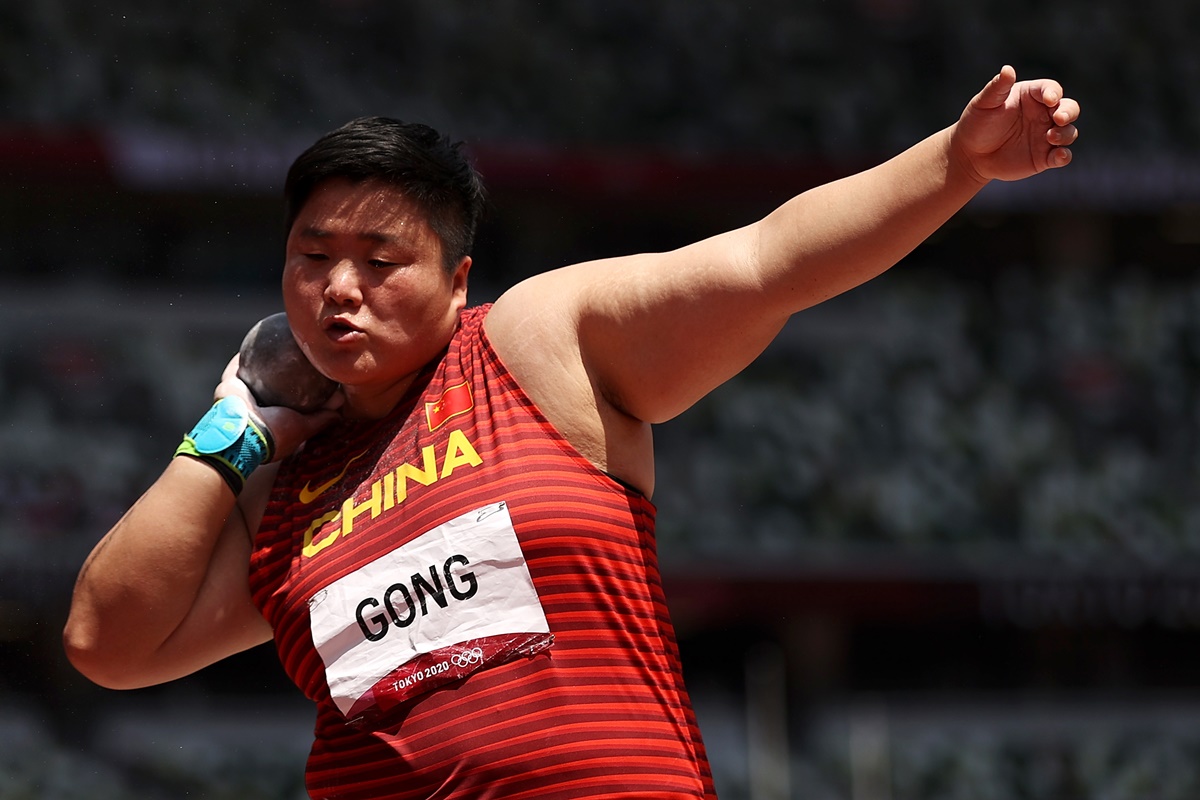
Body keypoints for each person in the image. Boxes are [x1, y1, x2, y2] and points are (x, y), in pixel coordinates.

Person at [64, 65, 1079, 799]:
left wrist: (956, 163)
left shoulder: (533, 343)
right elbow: (106, 641)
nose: (339, 287)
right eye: (311, 255)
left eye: (381, 258)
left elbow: (766, 263)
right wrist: (237, 421)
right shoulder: (289, 491)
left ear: (457, 278)